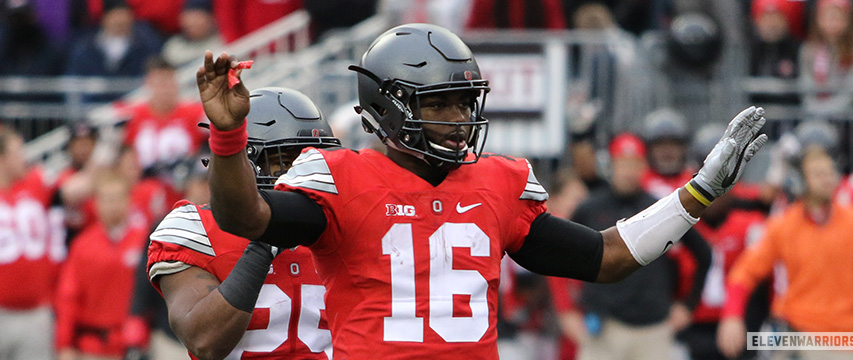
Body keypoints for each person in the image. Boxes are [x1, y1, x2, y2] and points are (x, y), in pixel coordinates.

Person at [198, 23, 768, 358]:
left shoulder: (497, 183)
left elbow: (607, 256)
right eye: (437, 103)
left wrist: (697, 193)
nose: (455, 118)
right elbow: (244, 214)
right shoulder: (341, 176)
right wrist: (228, 136)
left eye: (462, 103)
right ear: (388, 108)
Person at [147, 87, 339, 359]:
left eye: (313, 160)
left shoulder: (342, 223)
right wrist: (265, 236)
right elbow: (204, 340)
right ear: (247, 162)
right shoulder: (195, 227)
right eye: (284, 161)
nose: (304, 174)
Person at [717, 147, 853, 360]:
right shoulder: (784, 226)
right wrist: (731, 316)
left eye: (829, 172)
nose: (827, 179)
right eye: (818, 173)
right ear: (800, 181)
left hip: (844, 337)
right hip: (793, 331)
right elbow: (744, 273)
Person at [563, 133, 712, 360]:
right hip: (603, 327)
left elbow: (703, 253)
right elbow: (560, 253)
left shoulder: (660, 207)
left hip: (652, 327)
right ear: (611, 164)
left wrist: (688, 306)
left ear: (644, 166)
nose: (628, 171)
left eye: (634, 164)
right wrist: (568, 310)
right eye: (623, 163)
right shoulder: (590, 208)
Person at [55, 171, 149, 360]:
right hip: (91, 346)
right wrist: (64, 344)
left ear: (129, 200)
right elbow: (68, 296)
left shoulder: (145, 241)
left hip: (135, 346)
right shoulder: (83, 245)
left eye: (117, 198)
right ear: (96, 203)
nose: (112, 205)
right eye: (106, 199)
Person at [0, 127, 66, 360]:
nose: (24, 159)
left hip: (35, 311)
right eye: (18, 152)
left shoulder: (37, 183)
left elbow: (75, 190)